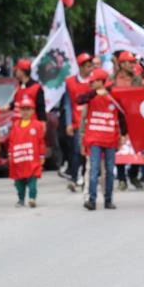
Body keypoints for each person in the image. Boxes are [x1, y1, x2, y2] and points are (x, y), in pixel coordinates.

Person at [78, 68, 128, 210]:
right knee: (94, 170)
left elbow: (122, 115)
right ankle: (92, 200)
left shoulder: (113, 96)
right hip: (94, 139)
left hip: (111, 139)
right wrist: (95, 92)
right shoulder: (90, 96)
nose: (92, 84)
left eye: (94, 81)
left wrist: (123, 134)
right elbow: (79, 99)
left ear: (102, 81)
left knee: (109, 171)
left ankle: (108, 200)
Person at [111, 50, 144, 192]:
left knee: (138, 146)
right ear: (121, 64)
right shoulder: (112, 79)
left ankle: (133, 174)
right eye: (130, 62)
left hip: (135, 117)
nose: (133, 65)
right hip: (118, 117)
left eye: (133, 62)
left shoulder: (138, 79)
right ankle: (121, 178)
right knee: (121, 148)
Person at [8, 95, 46, 208]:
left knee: (32, 181)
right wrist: (10, 154)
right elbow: (11, 141)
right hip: (19, 159)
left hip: (32, 159)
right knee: (19, 182)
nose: (25, 112)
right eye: (23, 109)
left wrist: (42, 155)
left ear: (33, 110)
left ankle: (32, 198)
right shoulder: (15, 125)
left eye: (28, 109)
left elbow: (41, 142)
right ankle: (20, 198)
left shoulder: (37, 125)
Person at [65, 52, 94, 192]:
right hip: (78, 121)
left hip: (93, 122)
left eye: (91, 65)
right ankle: (74, 177)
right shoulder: (70, 82)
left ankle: (83, 177)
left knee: (86, 151)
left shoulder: (95, 82)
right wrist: (68, 123)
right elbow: (67, 104)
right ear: (81, 67)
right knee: (77, 150)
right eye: (87, 66)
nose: (90, 69)